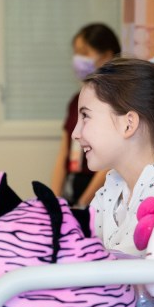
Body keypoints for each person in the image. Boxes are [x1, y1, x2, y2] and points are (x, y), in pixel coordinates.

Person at [75, 57, 154, 256]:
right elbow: (81, 247)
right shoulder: (112, 188)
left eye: (85, 116)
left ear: (128, 124)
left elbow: (122, 273)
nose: (75, 133)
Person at [51, 23, 121, 207]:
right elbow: (63, 154)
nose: (77, 59)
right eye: (76, 52)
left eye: (84, 52)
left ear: (106, 55)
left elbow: (112, 158)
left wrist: (83, 203)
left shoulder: (116, 101)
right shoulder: (77, 100)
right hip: (72, 187)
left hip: (100, 192)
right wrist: (54, 202)